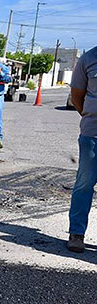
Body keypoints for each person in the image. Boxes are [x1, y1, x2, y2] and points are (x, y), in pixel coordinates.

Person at [67, 45, 97, 253]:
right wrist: (89, 116)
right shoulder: (88, 59)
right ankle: (77, 233)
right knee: (84, 184)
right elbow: (77, 96)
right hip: (92, 134)